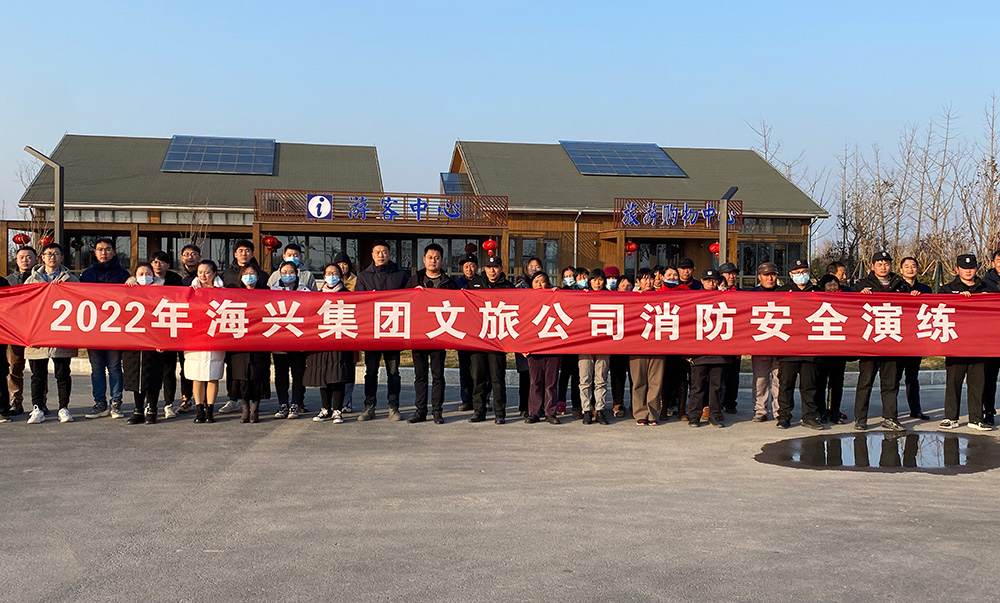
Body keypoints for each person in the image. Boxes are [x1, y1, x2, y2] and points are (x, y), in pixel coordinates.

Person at [852, 251, 917, 431]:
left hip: (892, 342)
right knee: (865, 382)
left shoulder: (901, 284)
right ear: (872, 266)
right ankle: (860, 418)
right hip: (870, 342)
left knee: (891, 383)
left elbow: (911, 310)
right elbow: (850, 309)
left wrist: (914, 296)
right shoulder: (862, 285)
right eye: (879, 264)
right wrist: (859, 297)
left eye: (886, 264)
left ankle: (890, 417)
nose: (883, 267)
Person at [24, 243, 80, 424]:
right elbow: (24, 305)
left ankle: (64, 407)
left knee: (62, 374)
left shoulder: (71, 280)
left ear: (62, 257)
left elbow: (80, 303)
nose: (52, 257)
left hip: (62, 333)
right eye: (48, 254)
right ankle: (38, 408)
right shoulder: (32, 280)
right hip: (37, 333)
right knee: (37, 375)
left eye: (56, 254)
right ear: (42, 258)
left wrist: (62, 290)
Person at [938, 254, 995, 431]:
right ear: (957, 269)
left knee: (978, 382)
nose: (968, 271)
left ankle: (976, 418)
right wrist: (958, 301)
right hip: (956, 344)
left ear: (977, 268)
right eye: (964, 268)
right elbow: (939, 310)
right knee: (953, 381)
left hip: (980, 344)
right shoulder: (947, 290)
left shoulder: (988, 289)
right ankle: (951, 417)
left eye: (972, 268)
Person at [356, 240, 408, 421]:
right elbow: (358, 302)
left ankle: (393, 407)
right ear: (372, 255)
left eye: (384, 252)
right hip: (371, 332)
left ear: (390, 254)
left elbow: (409, 299)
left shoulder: (400, 275)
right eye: (377, 252)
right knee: (371, 372)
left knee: (393, 372)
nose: (381, 255)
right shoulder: (364, 276)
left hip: (393, 331)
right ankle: (369, 406)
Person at [81, 238, 130, 420]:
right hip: (93, 328)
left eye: (107, 249)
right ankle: (99, 403)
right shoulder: (87, 275)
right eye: (100, 249)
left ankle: (116, 403)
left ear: (114, 251)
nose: (104, 252)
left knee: (115, 367)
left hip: (115, 328)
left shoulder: (123, 274)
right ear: (95, 252)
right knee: (97, 368)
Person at [407, 243, 456, 424]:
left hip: (439, 335)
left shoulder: (449, 283)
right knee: (420, 375)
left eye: (437, 258)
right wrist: (414, 294)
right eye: (429, 257)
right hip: (418, 335)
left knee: (438, 375)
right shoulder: (414, 281)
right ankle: (420, 410)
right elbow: (404, 303)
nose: (433, 261)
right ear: (424, 259)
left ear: (442, 260)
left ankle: (437, 410)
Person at [774, 259, 823, 430]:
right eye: (797, 272)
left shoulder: (818, 292)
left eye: (804, 272)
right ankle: (784, 416)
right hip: (788, 347)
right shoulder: (781, 292)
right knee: (786, 384)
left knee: (809, 385)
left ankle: (809, 416)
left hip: (811, 347)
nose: (801, 275)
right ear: (790, 275)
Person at [466, 254, 514, 423]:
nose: (492, 271)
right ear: (484, 269)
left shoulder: (509, 287)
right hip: (478, 339)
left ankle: (500, 413)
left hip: (497, 340)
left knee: (497, 378)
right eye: (488, 267)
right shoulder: (474, 285)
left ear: (501, 269)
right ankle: (479, 410)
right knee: (478, 377)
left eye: (495, 267)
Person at [309, 263, 354, 424]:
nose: (331, 276)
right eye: (328, 273)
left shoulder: (348, 295)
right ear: (323, 276)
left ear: (340, 276)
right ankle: (325, 408)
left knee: (338, 375)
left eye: (335, 273)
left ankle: (337, 410)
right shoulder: (316, 296)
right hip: (322, 340)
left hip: (341, 340)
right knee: (323, 374)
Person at [687, 269, 732, 428]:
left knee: (716, 387)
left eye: (713, 280)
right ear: (702, 281)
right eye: (707, 280)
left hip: (719, 351)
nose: (711, 283)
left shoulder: (726, 299)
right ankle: (694, 416)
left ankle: (714, 415)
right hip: (699, 351)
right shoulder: (692, 298)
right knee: (697, 386)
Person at [227, 264, 272, 424]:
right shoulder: (234, 293)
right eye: (245, 273)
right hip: (239, 340)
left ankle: (255, 407)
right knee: (241, 375)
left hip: (260, 339)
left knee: (258, 374)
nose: (249, 276)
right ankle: (245, 407)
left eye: (252, 273)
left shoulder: (266, 292)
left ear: (258, 277)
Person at [122, 263, 165, 425]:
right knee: (135, 376)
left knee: (152, 377)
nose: (144, 277)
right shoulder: (127, 292)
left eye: (148, 273)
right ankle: (138, 410)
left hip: (154, 341)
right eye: (140, 274)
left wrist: (163, 340)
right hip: (133, 341)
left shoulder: (162, 292)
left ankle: (152, 409)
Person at [271, 260, 312, 419]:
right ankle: (282, 404)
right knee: (281, 374)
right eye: (284, 272)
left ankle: (295, 404)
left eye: (291, 272)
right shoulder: (272, 291)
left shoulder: (305, 291)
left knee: (298, 373)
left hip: (298, 339)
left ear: (296, 274)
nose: (288, 275)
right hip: (279, 339)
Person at [186, 260, 226, 423]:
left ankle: (210, 410)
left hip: (214, 338)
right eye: (200, 272)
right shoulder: (189, 290)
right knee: (196, 376)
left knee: (212, 375)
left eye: (207, 272)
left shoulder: (222, 292)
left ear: (214, 273)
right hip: (194, 337)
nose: (203, 275)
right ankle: (199, 410)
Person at [629, 268, 665, 426]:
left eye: (650, 278)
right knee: (639, 381)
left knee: (655, 381)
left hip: (658, 344)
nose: (648, 282)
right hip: (637, 345)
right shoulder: (631, 298)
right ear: (638, 282)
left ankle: (653, 413)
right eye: (644, 279)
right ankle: (640, 413)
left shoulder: (662, 297)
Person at [898, 256, 932, 420]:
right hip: (897, 337)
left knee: (912, 377)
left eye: (913, 266)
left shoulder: (925, 289)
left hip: (916, 338)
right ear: (901, 270)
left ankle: (915, 409)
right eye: (906, 266)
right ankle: (891, 413)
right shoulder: (895, 288)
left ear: (918, 269)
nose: (910, 269)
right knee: (894, 378)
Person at [525, 272, 561, 424]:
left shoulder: (556, 297)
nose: (540, 284)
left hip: (553, 346)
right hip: (534, 347)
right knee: (535, 381)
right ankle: (534, 412)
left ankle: (550, 412)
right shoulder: (526, 300)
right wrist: (523, 345)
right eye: (536, 281)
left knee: (551, 382)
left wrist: (559, 294)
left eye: (543, 281)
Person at [5, 245, 36, 417]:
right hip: (14, 331)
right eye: (22, 257)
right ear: (16, 260)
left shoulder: (42, 280)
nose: (25, 260)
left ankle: (40, 401)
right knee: (14, 366)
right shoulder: (7, 281)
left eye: (29, 257)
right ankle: (16, 400)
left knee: (38, 368)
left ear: (36, 259)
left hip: (36, 329)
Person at [815, 274, 849, 424]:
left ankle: (834, 411)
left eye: (835, 285)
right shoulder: (816, 300)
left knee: (837, 383)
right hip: (821, 349)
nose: (832, 288)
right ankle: (821, 411)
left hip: (839, 349)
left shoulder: (845, 300)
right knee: (820, 383)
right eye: (829, 285)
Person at [578, 268, 610, 425]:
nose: (597, 283)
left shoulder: (612, 297)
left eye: (600, 279)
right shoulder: (582, 295)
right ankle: (586, 410)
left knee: (601, 379)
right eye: (594, 279)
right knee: (585, 379)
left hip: (604, 344)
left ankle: (600, 409)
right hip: (585, 344)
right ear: (589, 281)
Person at [750, 262, 781, 422]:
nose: (770, 278)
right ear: (759, 277)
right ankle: (760, 410)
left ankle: (779, 410)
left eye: (773, 274)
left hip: (781, 344)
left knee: (779, 379)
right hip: (760, 344)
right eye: (766, 275)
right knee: (760, 379)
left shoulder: (784, 293)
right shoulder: (751, 294)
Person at [514, 256, 542, 417]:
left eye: (537, 266)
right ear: (526, 268)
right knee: (525, 374)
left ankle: (541, 406)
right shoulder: (519, 287)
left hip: (542, 335)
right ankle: (524, 407)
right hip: (524, 334)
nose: (534, 269)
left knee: (540, 375)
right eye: (531, 266)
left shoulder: (548, 287)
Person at [454, 253, 478, 412]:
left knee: (479, 369)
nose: (469, 269)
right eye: (466, 266)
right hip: (462, 331)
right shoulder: (456, 284)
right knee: (464, 368)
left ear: (477, 267)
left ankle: (481, 399)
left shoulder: (482, 282)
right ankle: (466, 399)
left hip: (479, 331)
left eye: (472, 266)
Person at [557, 266, 582, 417]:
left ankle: (576, 404)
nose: (569, 278)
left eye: (571, 275)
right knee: (564, 373)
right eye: (566, 276)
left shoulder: (582, 291)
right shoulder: (560, 292)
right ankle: (561, 401)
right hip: (566, 338)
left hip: (579, 338)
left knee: (577, 375)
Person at [718, 261, 742, 414]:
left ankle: (731, 402)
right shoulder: (713, 294)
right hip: (719, 339)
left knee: (734, 374)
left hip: (736, 339)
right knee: (720, 375)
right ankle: (718, 403)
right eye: (728, 273)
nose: (732, 276)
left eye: (734, 274)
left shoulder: (742, 293)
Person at [982, 249, 1000, 425]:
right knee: (990, 378)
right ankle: (988, 410)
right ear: (993, 262)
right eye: (999, 260)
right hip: (992, 338)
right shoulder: (985, 283)